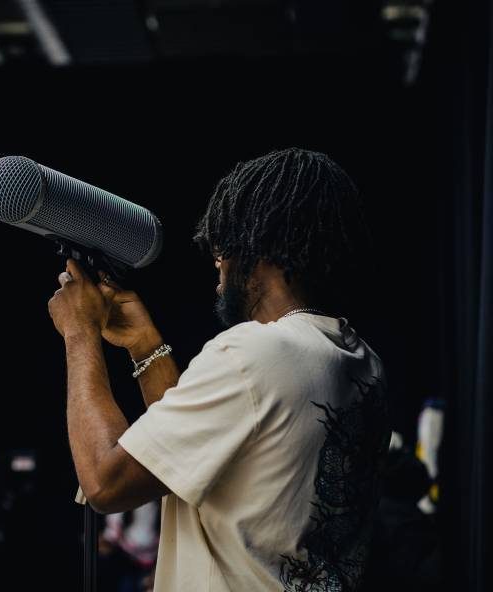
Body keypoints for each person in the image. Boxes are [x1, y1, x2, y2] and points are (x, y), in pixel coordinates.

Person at [47, 148, 391, 592]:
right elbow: (182, 453)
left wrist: (80, 335)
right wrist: (144, 345)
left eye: (225, 240)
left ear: (264, 242)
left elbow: (106, 483)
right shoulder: (363, 362)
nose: (217, 256)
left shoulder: (256, 353)